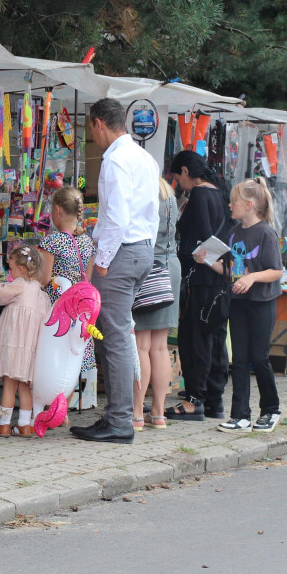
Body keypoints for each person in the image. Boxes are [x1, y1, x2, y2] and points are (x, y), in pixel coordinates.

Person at [70, 98, 159, 444]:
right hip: (141, 250)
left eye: (91, 130)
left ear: (98, 124)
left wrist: (103, 261)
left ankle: (120, 420)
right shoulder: (143, 157)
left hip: (122, 253)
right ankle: (118, 416)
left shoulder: (115, 160)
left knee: (116, 337)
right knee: (118, 334)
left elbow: (117, 218)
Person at [194, 178, 284, 433]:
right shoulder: (233, 233)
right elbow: (231, 270)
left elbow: (276, 270)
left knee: (260, 357)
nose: (229, 205)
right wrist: (207, 261)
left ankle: (271, 410)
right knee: (240, 360)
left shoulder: (266, 232)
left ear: (249, 205)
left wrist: (252, 277)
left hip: (262, 303)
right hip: (238, 302)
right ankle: (240, 415)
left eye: (234, 201)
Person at [167, 150, 231, 422]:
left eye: (176, 177)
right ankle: (214, 399)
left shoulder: (200, 196)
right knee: (215, 337)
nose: (177, 183)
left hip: (200, 276)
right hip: (219, 277)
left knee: (194, 338)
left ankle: (195, 400)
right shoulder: (220, 192)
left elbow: (201, 235)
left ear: (184, 171)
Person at [0, 244, 51, 437]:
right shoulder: (41, 294)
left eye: (10, 268)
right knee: (25, 386)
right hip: (30, 349)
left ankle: (3, 424)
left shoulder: (18, 285)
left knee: (9, 385)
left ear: (21, 269)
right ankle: (24, 425)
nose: (9, 272)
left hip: (13, 345)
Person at [37, 186, 97, 408]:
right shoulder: (87, 242)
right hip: (79, 310)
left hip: (56, 310)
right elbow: (87, 280)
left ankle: (47, 406)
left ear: (57, 210)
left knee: (52, 357)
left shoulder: (52, 242)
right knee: (71, 359)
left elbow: (43, 279)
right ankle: (64, 408)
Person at [132, 177, 180, 431]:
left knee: (142, 345)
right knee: (160, 347)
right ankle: (159, 412)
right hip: (171, 267)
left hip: (150, 269)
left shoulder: (146, 195)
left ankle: (137, 413)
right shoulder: (169, 195)